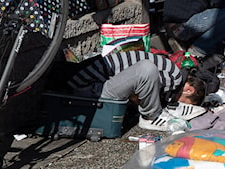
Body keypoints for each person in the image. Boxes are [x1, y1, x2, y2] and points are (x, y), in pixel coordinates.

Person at [66, 50, 207, 132]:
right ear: (188, 90)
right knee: (146, 69)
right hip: (87, 88)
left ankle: (153, 113)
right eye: (183, 102)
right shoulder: (174, 77)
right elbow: (139, 93)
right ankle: (151, 117)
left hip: (91, 83)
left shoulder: (170, 69)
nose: (177, 102)